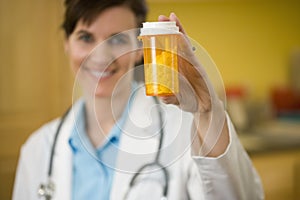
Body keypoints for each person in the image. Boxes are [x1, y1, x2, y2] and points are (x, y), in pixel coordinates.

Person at [12, 0, 264, 199]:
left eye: (118, 39)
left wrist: (208, 111)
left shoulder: (186, 131)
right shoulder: (38, 149)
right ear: (66, 43)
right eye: (86, 37)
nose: (101, 56)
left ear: (139, 49)